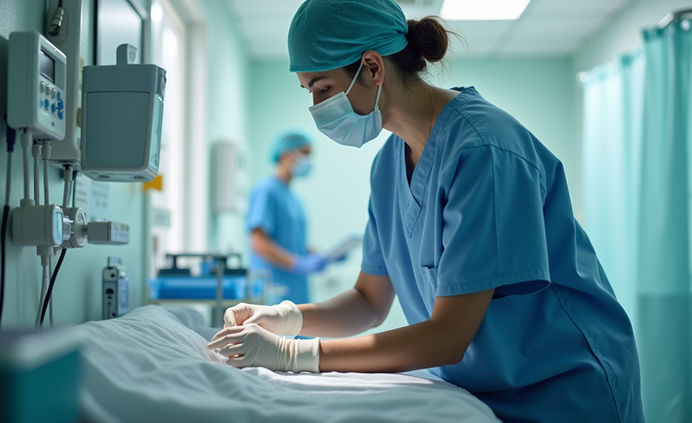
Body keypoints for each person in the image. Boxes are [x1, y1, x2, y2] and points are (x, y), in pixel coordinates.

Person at [208, 1, 644, 422]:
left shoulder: (484, 150)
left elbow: (448, 337)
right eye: (310, 93)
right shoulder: (387, 166)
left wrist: (294, 355)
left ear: (373, 67)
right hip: (481, 392)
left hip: (562, 390)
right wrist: (287, 318)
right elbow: (368, 301)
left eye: (323, 88)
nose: (318, 108)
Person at [246, 128, 328, 305]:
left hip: (297, 290)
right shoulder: (266, 190)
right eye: (304, 154)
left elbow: (292, 241)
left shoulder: (294, 197)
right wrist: (297, 264)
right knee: (276, 331)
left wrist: (321, 255)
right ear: (286, 154)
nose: (308, 161)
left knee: (300, 329)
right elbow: (258, 243)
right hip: (274, 289)